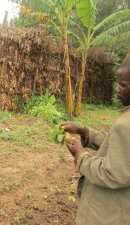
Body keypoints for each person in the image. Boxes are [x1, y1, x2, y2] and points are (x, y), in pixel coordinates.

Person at [60, 59, 130, 225]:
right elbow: (121, 148)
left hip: (109, 215)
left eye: (123, 85)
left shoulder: (126, 125)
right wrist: (86, 132)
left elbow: (112, 173)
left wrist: (80, 155)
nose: (117, 89)